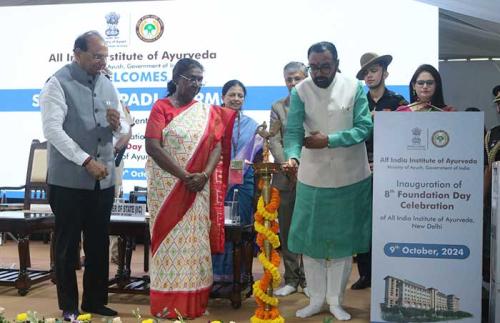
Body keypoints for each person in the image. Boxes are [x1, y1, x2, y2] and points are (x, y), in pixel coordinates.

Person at [40, 31, 129, 320]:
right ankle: (69, 306)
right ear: (77, 53)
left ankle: (94, 301)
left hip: (102, 181)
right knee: (67, 245)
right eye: (96, 56)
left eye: (105, 56)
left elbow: (124, 128)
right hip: (67, 181)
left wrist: (118, 126)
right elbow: (53, 131)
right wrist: (85, 160)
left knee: (98, 242)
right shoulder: (57, 83)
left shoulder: (107, 83)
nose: (102, 62)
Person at [284, 41, 373, 320]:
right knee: (311, 243)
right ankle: (316, 298)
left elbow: (364, 128)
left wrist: (330, 140)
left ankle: (336, 301)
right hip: (313, 177)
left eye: (325, 66)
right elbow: (293, 132)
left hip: (351, 177)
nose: (319, 72)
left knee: (342, 244)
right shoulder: (301, 90)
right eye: (314, 67)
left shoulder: (355, 87)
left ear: (336, 62)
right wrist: (292, 157)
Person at [145, 58, 235, 319]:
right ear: (176, 78)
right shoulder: (161, 108)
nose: (196, 84)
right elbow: (152, 146)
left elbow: (217, 145)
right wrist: (185, 176)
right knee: (168, 246)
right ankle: (167, 304)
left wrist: (204, 175)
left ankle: (194, 303)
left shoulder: (206, 112)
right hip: (168, 190)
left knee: (194, 247)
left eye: (199, 79)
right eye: (191, 78)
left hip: (198, 189)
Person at [352, 52, 408, 290]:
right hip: (361, 168)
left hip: (392, 170)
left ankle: (391, 271)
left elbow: (405, 139)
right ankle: (365, 274)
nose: (369, 76)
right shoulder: (358, 103)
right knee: (363, 222)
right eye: (365, 73)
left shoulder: (398, 102)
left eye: (373, 70)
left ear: (385, 73)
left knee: (389, 222)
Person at [211, 80, 263, 289]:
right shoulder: (212, 120)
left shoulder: (252, 125)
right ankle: (214, 273)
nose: (236, 99)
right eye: (231, 94)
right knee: (217, 225)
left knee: (240, 227)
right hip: (216, 180)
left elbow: (257, 155)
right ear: (222, 97)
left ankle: (238, 274)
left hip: (243, 181)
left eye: (240, 95)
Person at [269, 62, 308, 297]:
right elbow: (274, 139)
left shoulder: (316, 103)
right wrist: (289, 163)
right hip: (286, 175)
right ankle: (292, 279)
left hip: (315, 175)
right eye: (288, 79)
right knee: (288, 230)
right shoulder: (278, 107)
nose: (292, 83)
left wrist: (304, 165)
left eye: (297, 78)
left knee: (311, 229)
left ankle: (310, 280)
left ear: (306, 78)